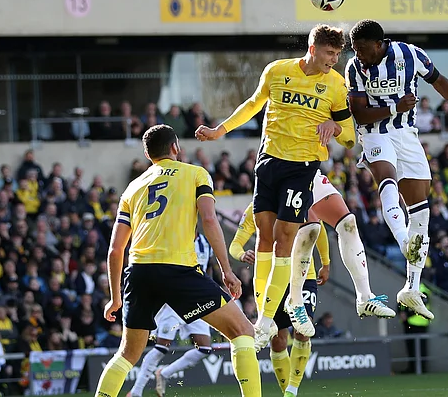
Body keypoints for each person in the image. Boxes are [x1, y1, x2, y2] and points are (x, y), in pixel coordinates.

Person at [196, 24, 391, 350]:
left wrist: (333, 125)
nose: (334, 59)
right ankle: (266, 316)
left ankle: (267, 321)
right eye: (329, 53)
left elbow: (349, 136)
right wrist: (220, 130)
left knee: (286, 238)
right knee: (265, 242)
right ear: (313, 49)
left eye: (337, 54)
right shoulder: (277, 71)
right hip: (268, 164)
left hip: (302, 170)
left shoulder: (336, 85)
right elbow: (252, 104)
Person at [94, 125, 261, 397]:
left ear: (148, 155)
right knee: (243, 331)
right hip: (179, 271)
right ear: (175, 148)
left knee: (127, 354)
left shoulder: (132, 188)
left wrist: (115, 298)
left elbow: (115, 250)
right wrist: (227, 271)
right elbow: (209, 219)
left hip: (138, 274)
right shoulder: (195, 174)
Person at [346, 19, 448, 320]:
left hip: (407, 135)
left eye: (362, 49)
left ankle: (411, 288)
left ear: (378, 44)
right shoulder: (354, 68)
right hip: (375, 132)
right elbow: (358, 112)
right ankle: (403, 240)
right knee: (386, 180)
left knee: (422, 211)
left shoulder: (410, 55)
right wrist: (393, 108)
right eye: (354, 50)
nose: (358, 55)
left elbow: (439, 81)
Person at [230, 202, 331, 397]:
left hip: (303, 274)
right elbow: (235, 243)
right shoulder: (256, 206)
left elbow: (317, 227)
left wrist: (325, 262)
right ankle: (287, 392)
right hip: (271, 277)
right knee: (278, 340)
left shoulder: (296, 199)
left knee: (304, 329)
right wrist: (242, 254)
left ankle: (292, 390)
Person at [127, 233, 215, 397]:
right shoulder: (175, 237)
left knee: (204, 348)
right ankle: (136, 391)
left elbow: (208, 267)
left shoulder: (205, 242)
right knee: (162, 347)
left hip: (197, 299)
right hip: (174, 300)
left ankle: (165, 373)